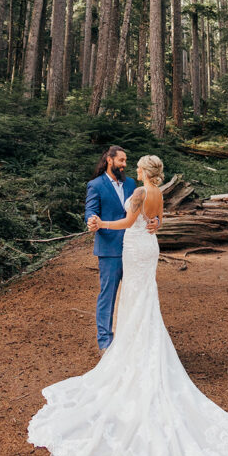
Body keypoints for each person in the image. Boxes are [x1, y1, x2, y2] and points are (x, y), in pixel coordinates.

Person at [27, 154, 228, 456]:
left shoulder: (137, 192)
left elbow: (130, 221)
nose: (132, 167)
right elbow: (156, 222)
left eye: (136, 165)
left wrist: (101, 224)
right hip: (148, 249)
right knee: (143, 300)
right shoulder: (158, 192)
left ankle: (129, 351)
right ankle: (136, 346)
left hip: (134, 248)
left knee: (133, 300)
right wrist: (145, 225)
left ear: (144, 171)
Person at [82, 145, 158, 353]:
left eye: (126, 161)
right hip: (111, 249)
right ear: (110, 160)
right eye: (121, 161)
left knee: (136, 294)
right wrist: (91, 220)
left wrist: (156, 221)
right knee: (108, 294)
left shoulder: (132, 183)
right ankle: (105, 342)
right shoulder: (95, 185)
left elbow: (148, 208)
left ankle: (134, 340)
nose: (125, 165)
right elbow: (91, 209)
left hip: (135, 249)